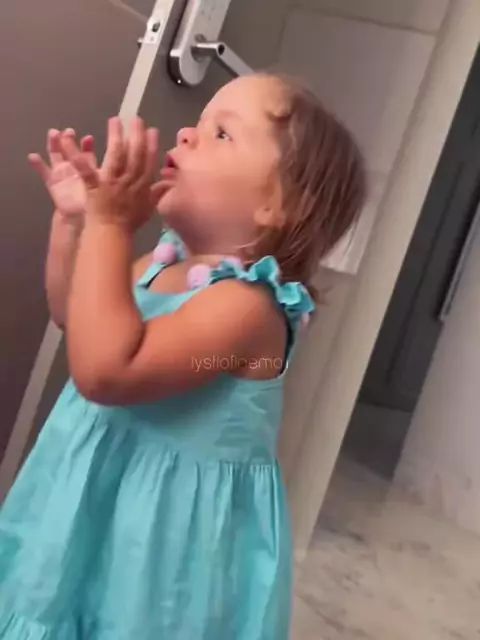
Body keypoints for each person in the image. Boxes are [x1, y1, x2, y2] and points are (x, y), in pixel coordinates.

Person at [0, 73, 366, 639]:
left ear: (279, 204)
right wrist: (76, 224)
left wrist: (110, 226)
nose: (188, 135)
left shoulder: (248, 308)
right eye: (198, 123)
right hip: (89, 504)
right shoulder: (157, 264)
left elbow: (107, 371)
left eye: (222, 133)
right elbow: (77, 316)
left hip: (155, 552)